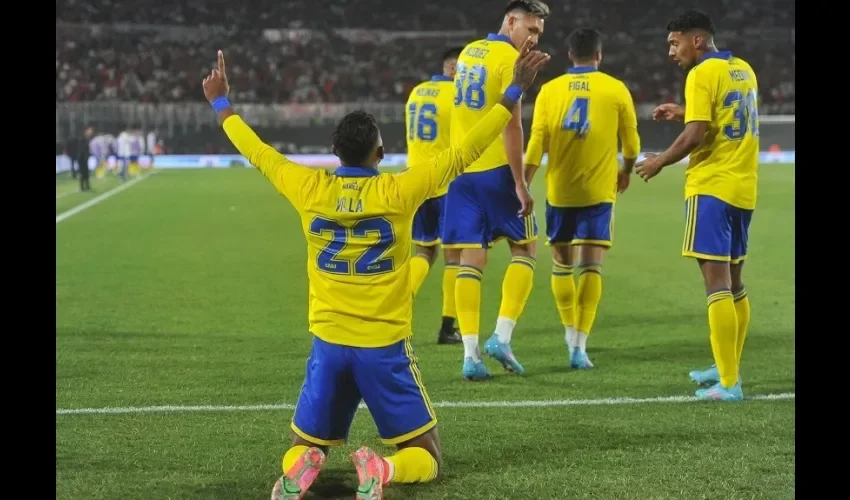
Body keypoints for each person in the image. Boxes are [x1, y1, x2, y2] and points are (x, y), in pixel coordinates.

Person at [202, 43, 549, 500]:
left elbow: (259, 151)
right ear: (381, 152)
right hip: (383, 346)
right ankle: (381, 469)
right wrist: (512, 92)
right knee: (428, 456)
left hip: (329, 342)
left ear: (333, 151)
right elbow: (467, 150)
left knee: (303, 444)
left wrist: (222, 102)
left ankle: (302, 468)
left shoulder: (309, 187)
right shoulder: (401, 189)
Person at [635, 9, 759, 402]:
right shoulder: (743, 69)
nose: (671, 51)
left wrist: (658, 161)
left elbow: (695, 136)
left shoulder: (701, 73)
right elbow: (719, 118)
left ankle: (729, 383)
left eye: (675, 42)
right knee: (735, 284)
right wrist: (685, 112)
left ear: (697, 40)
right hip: (743, 188)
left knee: (716, 285)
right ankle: (728, 367)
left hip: (711, 186)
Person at [443, 0, 550, 381]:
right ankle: (501, 337)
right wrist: (520, 182)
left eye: (538, 32)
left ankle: (470, 355)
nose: (534, 38)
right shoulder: (509, 59)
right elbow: (511, 125)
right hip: (496, 170)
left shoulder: (471, 50)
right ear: (510, 21)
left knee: (471, 260)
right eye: (530, 29)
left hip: (461, 170)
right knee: (526, 248)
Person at [524, 27, 640, 369]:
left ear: (570, 55)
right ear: (599, 55)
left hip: (560, 192)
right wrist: (627, 170)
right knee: (592, 266)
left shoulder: (549, 90)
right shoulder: (616, 89)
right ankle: (580, 346)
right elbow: (631, 145)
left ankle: (568, 332)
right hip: (598, 191)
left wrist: (523, 181)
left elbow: (536, 143)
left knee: (562, 264)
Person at [405, 47, 464, 345]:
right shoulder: (456, 96)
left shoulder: (416, 92)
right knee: (456, 255)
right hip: (444, 182)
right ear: (454, 68)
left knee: (424, 252)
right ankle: (447, 327)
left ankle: (398, 306)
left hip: (415, 181)